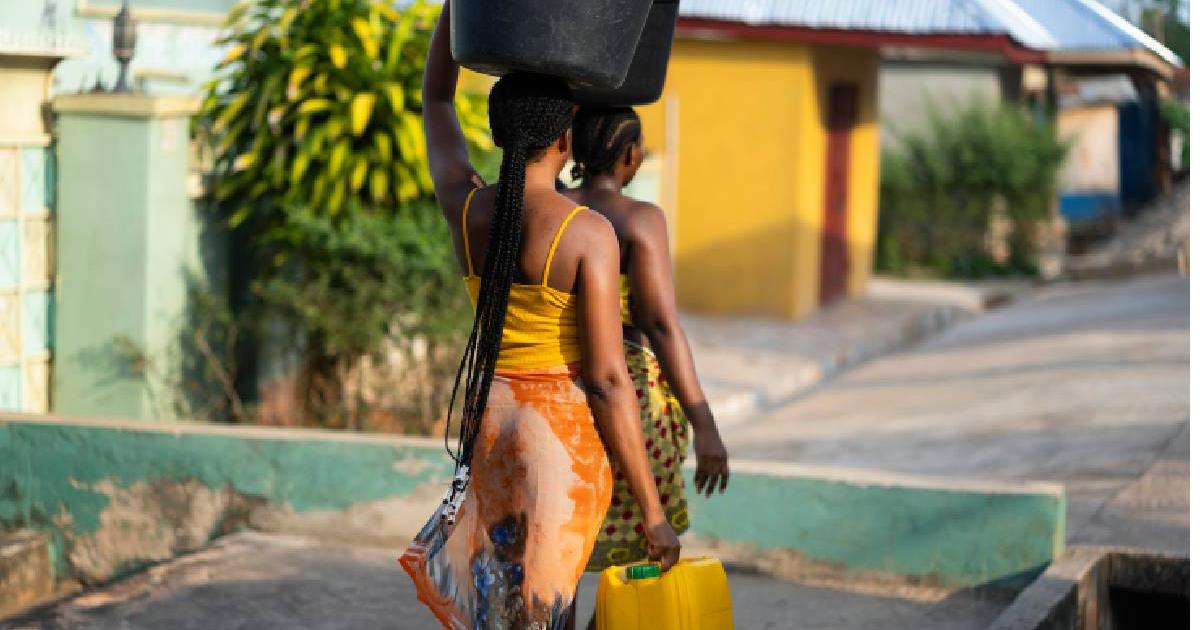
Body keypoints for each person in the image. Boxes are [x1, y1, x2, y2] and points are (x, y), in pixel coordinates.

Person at [400, 7, 681, 629]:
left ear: (501, 132)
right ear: (563, 140)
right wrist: (653, 513)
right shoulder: (588, 236)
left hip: (491, 422)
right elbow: (609, 381)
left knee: (500, 611)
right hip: (557, 434)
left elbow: (437, 101)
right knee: (549, 608)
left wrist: (455, 11)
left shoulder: (468, 208)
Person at [566, 107, 730, 577]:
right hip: (628, 399)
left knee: (567, 556)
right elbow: (660, 324)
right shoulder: (640, 220)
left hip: (564, 391)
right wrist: (705, 424)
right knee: (640, 560)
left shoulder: (556, 207)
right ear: (631, 154)